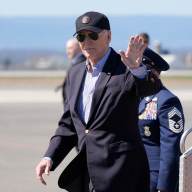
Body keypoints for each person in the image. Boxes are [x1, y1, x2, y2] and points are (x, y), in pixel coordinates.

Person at [35, 11, 158, 192]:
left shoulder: (126, 66)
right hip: (87, 175)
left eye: (93, 35)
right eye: (81, 36)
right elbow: (69, 122)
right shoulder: (75, 73)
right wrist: (50, 157)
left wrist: (136, 69)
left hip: (121, 174)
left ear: (108, 36)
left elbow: (150, 90)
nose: (86, 41)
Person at [139, 48, 185, 192]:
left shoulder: (167, 101)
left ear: (152, 72)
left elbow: (170, 150)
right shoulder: (135, 98)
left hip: (153, 179)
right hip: (133, 174)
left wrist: (164, 187)